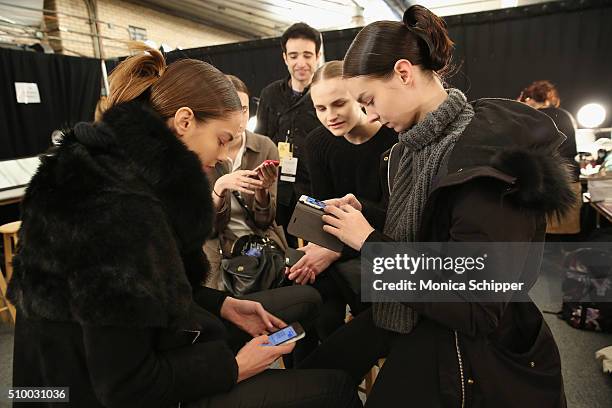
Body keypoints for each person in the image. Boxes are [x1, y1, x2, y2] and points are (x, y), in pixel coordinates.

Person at [7, 47, 362, 408]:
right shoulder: (115, 210)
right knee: (334, 388)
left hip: (82, 373)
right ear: (184, 120)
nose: (225, 155)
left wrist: (223, 305)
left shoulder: (113, 173)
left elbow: (144, 292)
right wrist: (234, 367)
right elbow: (125, 385)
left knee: (309, 311)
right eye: (223, 139)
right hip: (81, 393)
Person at [299, 5, 571, 407]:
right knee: (316, 374)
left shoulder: (483, 160)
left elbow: (477, 301)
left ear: (404, 74)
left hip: (466, 340)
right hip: (414, 311)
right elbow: (429, 227)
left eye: (368, 99)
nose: (369, 113)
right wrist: (368, 216)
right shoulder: (407, 152)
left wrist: (371, 242)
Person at [286, 60, 397, 339]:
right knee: (307, 297)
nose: (330, 116)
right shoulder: (317, 143)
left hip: (385, 250)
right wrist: (326, 249)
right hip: (339, 248)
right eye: (320, 108)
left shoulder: (395, 136)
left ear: (359, 98)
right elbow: (325, 212)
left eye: (338, 104)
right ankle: (312, 377)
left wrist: (334, 250)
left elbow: (395, 220)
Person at [204, 75, 287, 290]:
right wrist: (220, 187)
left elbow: (266, 220)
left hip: (261, 247)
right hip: (220, 254)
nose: (239, 118)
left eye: (244, 109)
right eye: (231, 109)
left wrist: (262, 191)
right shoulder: (203, 152)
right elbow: (209, 229)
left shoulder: (265, 146)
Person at [255, 22, 323, 247]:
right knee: (280, 246)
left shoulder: (325, 93)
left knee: (318, 244)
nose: (300, 63)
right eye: (293, 56)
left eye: (307, 55)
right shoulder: (270, 94)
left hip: (314, 186)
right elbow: (261, 138)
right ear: (285, 58)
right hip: (278, 184)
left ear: (317, 56)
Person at [518, 80, 579, 180]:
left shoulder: (532, 117)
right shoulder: (566, 115)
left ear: (529, 99)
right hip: (570, 175)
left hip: (545, 178)